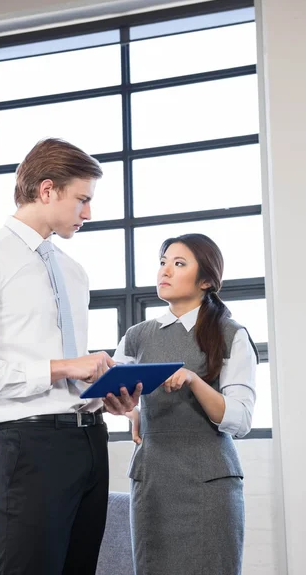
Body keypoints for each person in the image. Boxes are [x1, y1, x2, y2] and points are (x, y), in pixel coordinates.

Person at [0, 137, 141, 575]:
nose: (88, 213)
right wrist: (63, 367)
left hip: (89, 441)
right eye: (82, 200)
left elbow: (72, 372)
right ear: (47, 190)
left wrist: (104, 395)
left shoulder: (73, 271)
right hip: (28, 446)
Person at [104, 233, 258, 575]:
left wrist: (194, 380)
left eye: (178, 264)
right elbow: (115, 392)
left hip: (210, 483)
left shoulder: (231, 333)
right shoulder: (137, 335)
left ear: (205, 280)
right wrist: (131, 412)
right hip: (153, 480)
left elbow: (240, 419)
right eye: (162, 263)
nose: (165, 271)